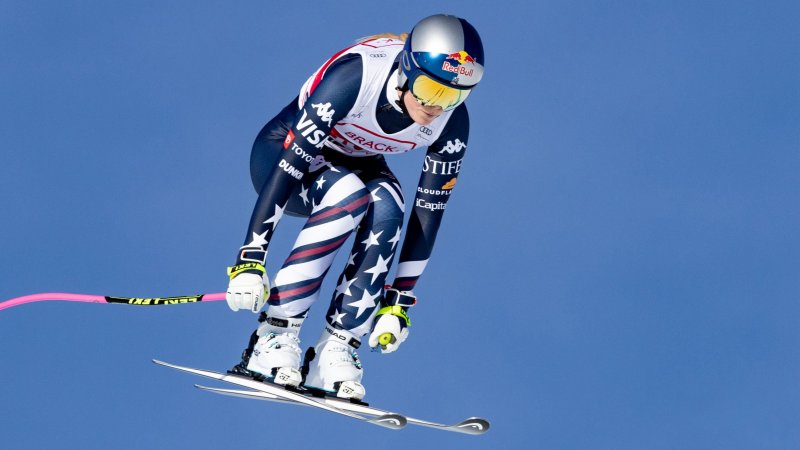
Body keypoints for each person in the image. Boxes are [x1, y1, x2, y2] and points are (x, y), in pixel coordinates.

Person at [225, 14, 485, 401]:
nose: (437, 106)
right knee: (349, 195)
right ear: (407, 70)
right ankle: (274, 336)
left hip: (358, 164)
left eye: (455, 94)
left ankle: (336, 348)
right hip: (281, 159)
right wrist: (250, 260)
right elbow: (291, 164)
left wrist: (399, 302)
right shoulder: (356, 77)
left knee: (390, 208)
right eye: (432, 89)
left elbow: (429, 210)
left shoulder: (452, 121)